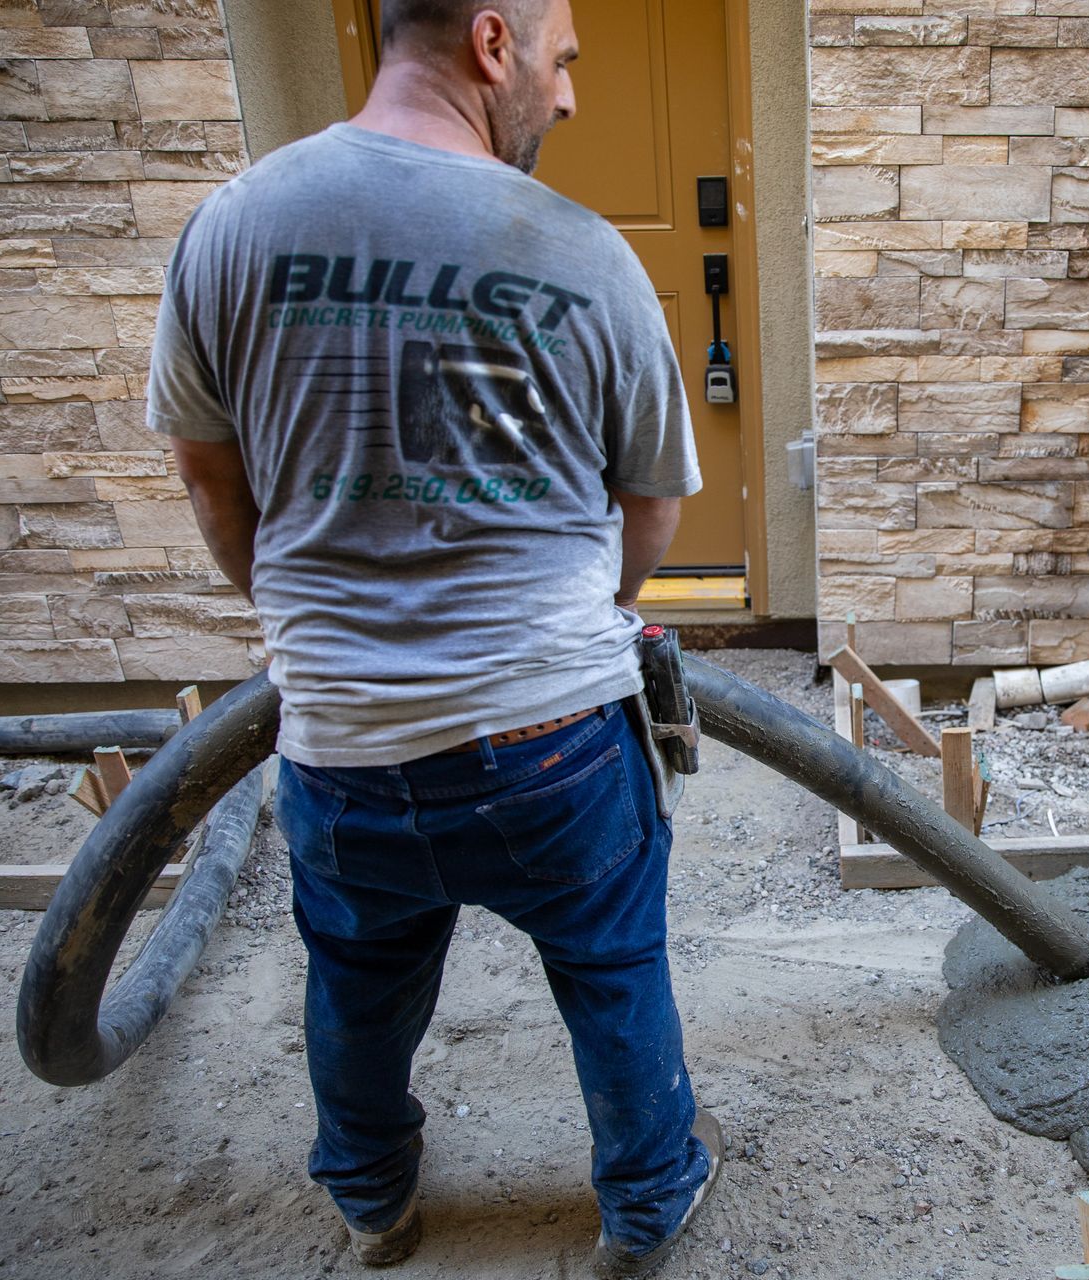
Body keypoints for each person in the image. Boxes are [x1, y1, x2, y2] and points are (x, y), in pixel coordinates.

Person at [145, 0, 720, 1272]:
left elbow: (205, 472)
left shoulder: (231, 228)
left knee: (358, 974)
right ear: (493, 41)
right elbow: (657, 503)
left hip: (342, 740)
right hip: (554, 737)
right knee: (612, 964)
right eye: (563, 62)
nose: (569, 98)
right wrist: (590, 617)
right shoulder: (586, 255)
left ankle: (371, 1198)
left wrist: (310, 622)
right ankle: (645, 1199)